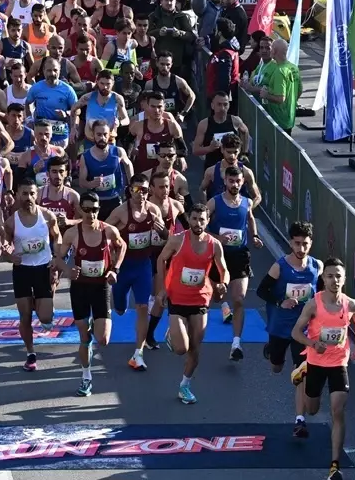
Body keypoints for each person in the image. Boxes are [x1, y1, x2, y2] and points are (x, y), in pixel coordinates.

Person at [291, 258, 355, 480]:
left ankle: (334, 465)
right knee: (312, 410)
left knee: (337, 411)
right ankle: (302, 373)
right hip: (315, 362)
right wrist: (313, 344)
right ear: (324, 278)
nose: (334, 280)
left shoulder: (350, 304)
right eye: (330, 276)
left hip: (339, 363)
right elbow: (296, 332)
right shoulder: (314, 305)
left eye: (339, 276)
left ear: (344, 279)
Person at [56, 191, 126, 396]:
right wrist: (68, 270)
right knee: (84, 337)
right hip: (80, 287)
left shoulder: (109, 231)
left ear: (98, 210)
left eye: (94, 210)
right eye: (86, 210)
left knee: (102, 339)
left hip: (101, 286)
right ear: (81, 210)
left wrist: (115, 269)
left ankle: (97, 324)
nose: (90, 214)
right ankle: (86, 377)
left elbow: (122, 247)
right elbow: (58, 258)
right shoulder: (72, 233)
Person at [256, 221, 322, 435]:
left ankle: (299, 420)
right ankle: (271, 352)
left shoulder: (316, 267)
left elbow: (320, 295)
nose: (301, 249)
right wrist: (280, 302)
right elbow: (261, 291)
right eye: (297, 244)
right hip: (280, 326)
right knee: (276, 367)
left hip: (302, 329)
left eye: (305, 244)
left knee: (300, 371)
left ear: (311, 244)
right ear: (290, 243)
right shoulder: (280, 267)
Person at [157, 202, 226, 404]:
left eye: (202, 219)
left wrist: (224, 284)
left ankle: (184, 386)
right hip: (177, 299)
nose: (198, 223)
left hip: (200, 300)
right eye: (194, 219)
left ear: (207, 221)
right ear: (189, 219)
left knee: (195, 349)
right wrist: (162, 288)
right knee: (181, 349)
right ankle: (173, 334)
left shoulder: (214, 244)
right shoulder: (177, 240)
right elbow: (161, 259)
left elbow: (224, 269)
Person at [108, 173, 165, 371]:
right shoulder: (120, 212)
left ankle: (138, 353)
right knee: (120, 309)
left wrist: (162, 233)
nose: (140, 194)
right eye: (136, 190)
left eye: (144, 190)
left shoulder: (154, 211)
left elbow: (165, 237)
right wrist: (112, 255)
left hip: (143, 266)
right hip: (123, 267)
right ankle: (117, 305)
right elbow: (104, 233)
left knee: (142, 307)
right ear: (129, 190)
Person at [4, 177, 62, 372]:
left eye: (31, 193)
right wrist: (10, 256)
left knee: (45, 318)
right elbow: (5, 245)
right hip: (22, 271)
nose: (28, 197)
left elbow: (57, 237)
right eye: (24, 193)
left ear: (37, 195)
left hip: (43, 268)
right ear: (18, 195)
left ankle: (45, 298)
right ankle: (30, 353)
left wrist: (56, 257)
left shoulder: (47, 216)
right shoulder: (11, 222)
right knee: (25, 315)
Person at [206, 164, 263, 361]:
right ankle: (222, 305)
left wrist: (254, 236)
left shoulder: (247, 202)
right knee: (217, 296)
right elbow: (199, 227)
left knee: (238, 299)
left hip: (239, 255)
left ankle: (236, 343)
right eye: (232, 181)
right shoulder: (214, 202)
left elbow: (250, 219)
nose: (235, 184)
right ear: (225, 181)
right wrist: (215, 237)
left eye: (238, 181)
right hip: (218, 256)